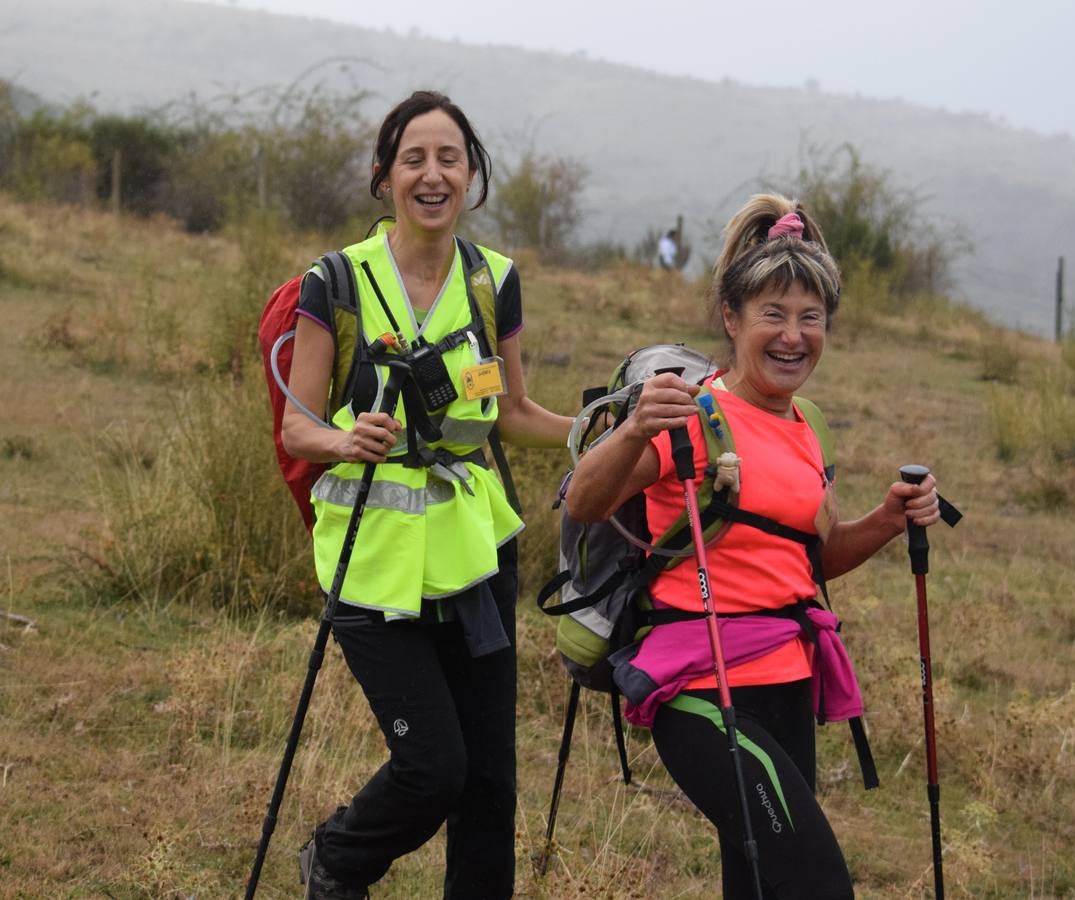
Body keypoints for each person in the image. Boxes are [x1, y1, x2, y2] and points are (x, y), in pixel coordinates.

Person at [565, 194, 942, 899]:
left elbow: (813, 560)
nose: (793, 336)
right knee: (818, 884)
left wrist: (887, 520)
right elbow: (585, 502)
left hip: (788, 680)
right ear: (732, 320)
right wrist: (635, 429)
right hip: (701, 687)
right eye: (773, 314)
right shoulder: (693, 417)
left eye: (810, 318)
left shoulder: (809, 426)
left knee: (761, 882)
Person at [282, 90, 573, 900]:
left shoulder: (493, 281)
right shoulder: (336, 281)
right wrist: (344, 439)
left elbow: (512, 412)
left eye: (450, 158)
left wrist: (605, 428)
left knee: (488, 784)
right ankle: (338, 861)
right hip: (370, 562)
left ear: (472, 175)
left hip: (476, 560)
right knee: (434, 768)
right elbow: (297, 429)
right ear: (384, 177)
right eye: (415, 158)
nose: (433, 174)